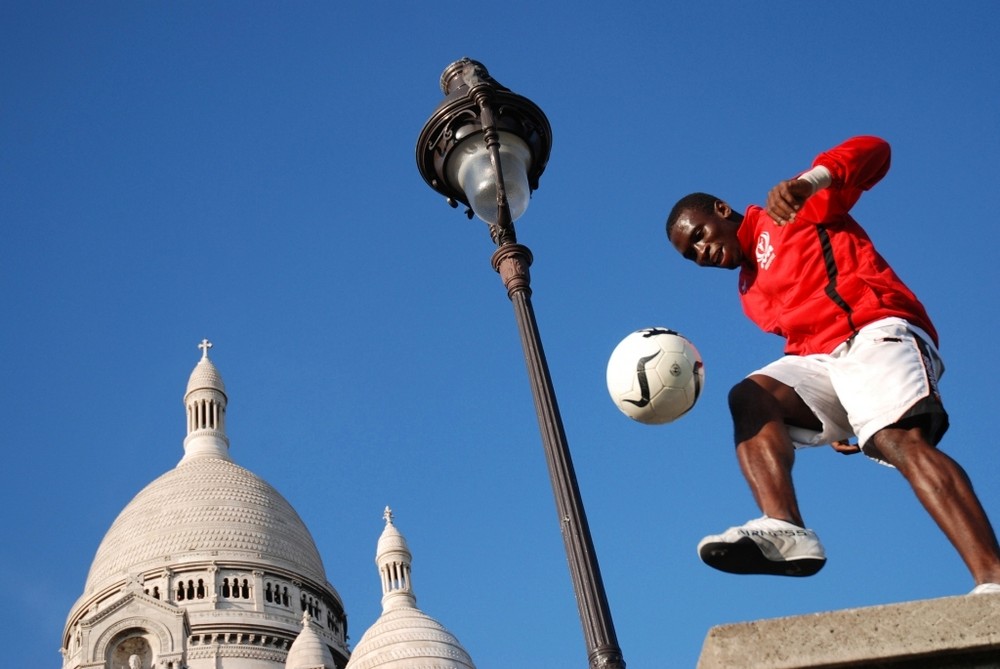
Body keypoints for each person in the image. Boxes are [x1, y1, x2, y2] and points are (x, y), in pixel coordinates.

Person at [665, 135, 1000, 594]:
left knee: (897, 440)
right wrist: (839, 415)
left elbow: (876, 151)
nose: (700, 253)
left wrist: (812, 181)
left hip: (877, 330)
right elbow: (802, 346)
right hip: (825, 360)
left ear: (722, 210)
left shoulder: (793, 207)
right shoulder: (750, 292)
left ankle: (993, 580)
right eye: (691, 255)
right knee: (751, 395)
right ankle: (784, 526)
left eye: (699, 236)